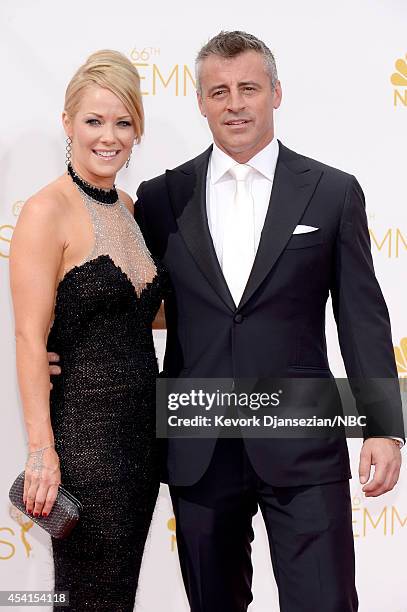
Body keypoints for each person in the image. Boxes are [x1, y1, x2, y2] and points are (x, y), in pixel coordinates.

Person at [132, 31, 404, 611]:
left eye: (249, 88)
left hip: (303, 445)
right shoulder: (158, 199)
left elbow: (361, 315)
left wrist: (383, 424)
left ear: (276, 93)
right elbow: (137, 306)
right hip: (199, 446)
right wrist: (77, 351)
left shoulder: (331, 192)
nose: (235, 103)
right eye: (220, 91)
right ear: (200, 101)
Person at [10, 50, 167, 611]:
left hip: (142, 441)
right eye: (95, 121)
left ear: (137, 131)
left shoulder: (127, 205)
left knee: (117, 593)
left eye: (123, 122)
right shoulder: (44, 212)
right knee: (87, 597)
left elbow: (137, 312)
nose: (109, 136)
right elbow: (29, 338)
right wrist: (41, 453)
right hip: (84, 442)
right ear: (67, 123)